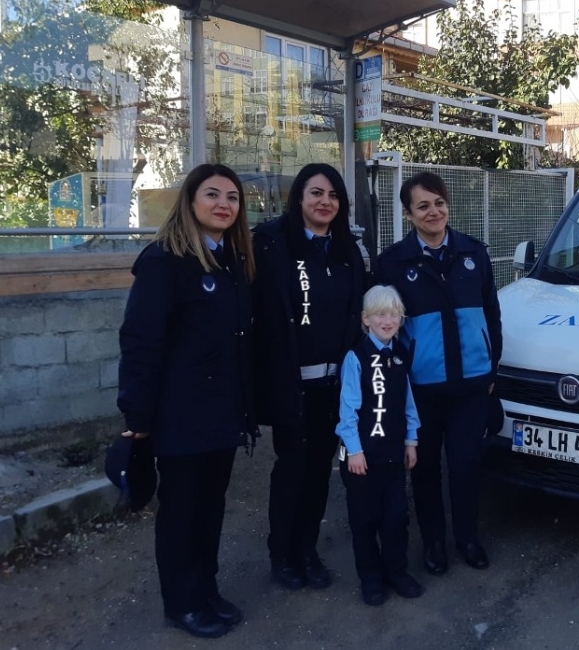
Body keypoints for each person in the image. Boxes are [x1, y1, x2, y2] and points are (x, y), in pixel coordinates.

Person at [117, 163, 255, 639]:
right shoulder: (164, 261)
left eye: (232, 197)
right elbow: (141, 340)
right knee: (181, 511)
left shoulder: (232, 262)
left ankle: (205, 590)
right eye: (212, 194)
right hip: (181, 413)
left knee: (211, 506)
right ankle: (182, 603)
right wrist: (136, 415)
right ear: (191, 201)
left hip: (223, 411)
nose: (224, 204)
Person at [375, 171, 502, 575]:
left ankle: (467, 538)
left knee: (466, 465)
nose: (434, 212)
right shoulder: (392, 264)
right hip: (421, 389)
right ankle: (433, 542)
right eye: (423, 206)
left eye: (439, 203)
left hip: (471, 385)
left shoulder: (474, 254)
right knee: (425, 468)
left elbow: (491, 313)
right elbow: (381, 329)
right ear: (408, 214)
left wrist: (491, 367)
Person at [252, 163, 366, 591]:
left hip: (334, 386)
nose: (325, 201)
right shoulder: (272, 245)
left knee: (320, 471)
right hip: (292, 386)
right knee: (292, 470)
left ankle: (307, 550)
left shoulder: (346, 250)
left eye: (333, 195)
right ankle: (282, 554)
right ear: (299, 197)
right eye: (316, 193)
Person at [336, 285, 423, 606]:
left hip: (392, 456)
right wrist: (354, 450)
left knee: (396, 519)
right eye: (380, 315)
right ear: (366, 319)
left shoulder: (400, 355)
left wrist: (411, 440)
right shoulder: (355, 357)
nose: (387, 321)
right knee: (364, 521)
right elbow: (348, 410)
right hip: (363, 459)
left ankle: (396, 572)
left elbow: (407, 402)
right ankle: (370, 578)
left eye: (394, 314)